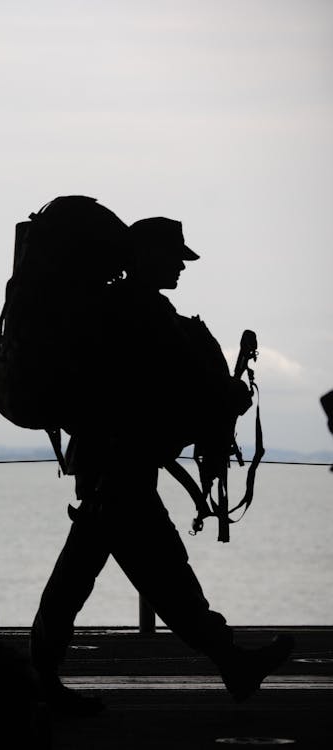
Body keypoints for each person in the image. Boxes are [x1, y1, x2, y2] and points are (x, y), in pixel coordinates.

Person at [29, 215, 294, 715]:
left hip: (111, 464)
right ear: (146, 257)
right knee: (159, 576)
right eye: (174, 257)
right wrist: (233, 394)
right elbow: (183, 383)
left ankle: (39, 674)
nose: (181, 266)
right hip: (120, 467)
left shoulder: (119, 308)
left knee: (104, 575)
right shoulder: (142, 311)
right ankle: (230, 661)